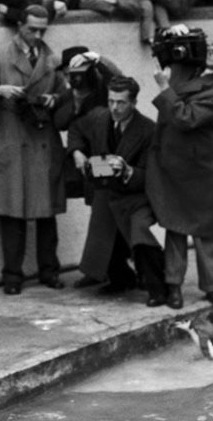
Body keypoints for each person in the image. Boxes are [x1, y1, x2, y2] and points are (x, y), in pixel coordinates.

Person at [0, 4, 70, 295]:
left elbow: (66, 94)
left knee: (46, 212)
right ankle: (12, 276)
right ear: (19, 26)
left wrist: (54, 99)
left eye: (42, 30)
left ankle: (49, 270)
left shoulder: (51, 59)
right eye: (32, 29)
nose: (38, 35)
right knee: (12, 213)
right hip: (12, 140)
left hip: (41, 141)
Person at [146, 25, 213, 310]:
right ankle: (173, 286)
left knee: (205, 230)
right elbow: (160, 48)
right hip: (171, 159)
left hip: (199, 167)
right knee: (174, 226)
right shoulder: (191, 60)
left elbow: (186, 118)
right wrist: (173, 30)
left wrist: (165, 88)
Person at [67, 75, 165, 304]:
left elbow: (152, 175)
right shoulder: (100, 117)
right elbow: (75, 128)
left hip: (136, 197)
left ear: (133, 103)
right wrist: (77, 152)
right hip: (105, 192)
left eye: (121, 103)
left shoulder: (148, 130)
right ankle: (121, 279)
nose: (115, 108)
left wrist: (127, 170)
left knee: (140, 234)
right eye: (111, 101)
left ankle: (158, 289)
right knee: (101, 237)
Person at [53, 48, 122, 209]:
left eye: (77, 73)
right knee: (99, 205)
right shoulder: (70, 94)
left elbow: (121, 81)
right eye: (68, 74)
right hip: (93, 163)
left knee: (116, 204)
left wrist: (99, 59)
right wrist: (76, 104)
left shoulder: (104, 86)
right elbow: (60, 122)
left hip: (115, 154)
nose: (73, 79)